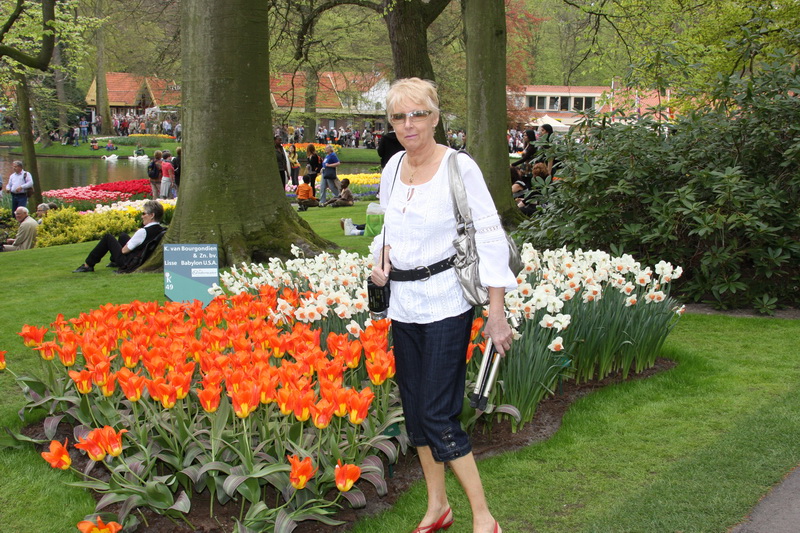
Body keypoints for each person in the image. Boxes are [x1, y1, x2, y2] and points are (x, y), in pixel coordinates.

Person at [370, 78, 514, 533]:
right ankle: (438, 508)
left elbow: (490, 239)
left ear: (435, 117)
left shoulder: (458, 167)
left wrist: (496, 314)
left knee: (437, 413)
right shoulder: (393, 167)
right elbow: (388, 229)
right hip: (404, 306)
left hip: (447, 303)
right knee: (415, 412)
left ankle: (484, 517)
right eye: (399, 117)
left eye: (418, 114)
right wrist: (381, 261)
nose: (408, 124)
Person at [72, 200, 165, 273]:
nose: (142, 216)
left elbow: (124, 250)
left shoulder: (143, 232)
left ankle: (88, 265)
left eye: (144, 213)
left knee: (108, 238)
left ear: (152, 215)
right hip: (140, 257)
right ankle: (114, 261)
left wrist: (129, 243)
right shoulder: (161, 230)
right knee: (123, 236)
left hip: (129, 262)